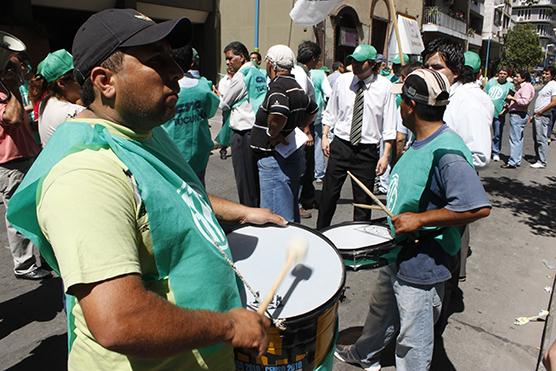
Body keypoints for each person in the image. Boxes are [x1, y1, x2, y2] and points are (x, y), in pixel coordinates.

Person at [7, 9, 288, 370]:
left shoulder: (141, 133)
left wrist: (244, 211)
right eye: (157, 61)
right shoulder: (85, 175)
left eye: (171, 57)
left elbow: (170, 194)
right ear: (104, 81)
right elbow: (120, 320)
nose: (176, 71)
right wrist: (230, 325)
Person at [334, 68, 491, 371]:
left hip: (423, 263)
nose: (397, 108)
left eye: (400, 101)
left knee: (413, 339)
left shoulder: (447, 151)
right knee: (381, 311)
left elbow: (477, 207)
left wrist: (420, 220)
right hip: (400, 250)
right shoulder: (420, 141)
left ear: (411, 106)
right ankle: (365, 354)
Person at [317, 44, 396, 230]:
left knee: (362, 201)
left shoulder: (384, 87)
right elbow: (331, 111)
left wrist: (385, 156)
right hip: (341, 146)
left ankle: (359, 239)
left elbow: (389, 125)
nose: (356, 66)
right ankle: (321, 231)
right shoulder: (342, 81)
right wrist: (325, 135)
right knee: (329, 194)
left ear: (372, 64)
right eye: (353, 61)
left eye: (361, 62)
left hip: (366, 151)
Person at [250, 44, 318, 222]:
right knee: (288, 206)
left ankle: (282, 249)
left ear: (272, 65)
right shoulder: (295, 85)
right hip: (289, 156)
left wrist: (274, 133)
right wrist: (298, 125)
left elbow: (279, 112)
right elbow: (313, 109)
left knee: (276, 216)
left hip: (274, 159)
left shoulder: (278, 87)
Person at [0, 44, 50, 280]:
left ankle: (34, 259)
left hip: (24, 157)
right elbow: (13, 117)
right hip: (11, 163)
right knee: (17, 213)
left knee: (30, 209)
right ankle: (24, 264)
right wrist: (9, 87)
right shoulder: (3, 93)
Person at [423, 39, 493, 170]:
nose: (429, 72)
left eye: (437, 67)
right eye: (426, 67)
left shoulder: (469, 105)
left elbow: (479, 157)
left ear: (455, 72)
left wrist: (433, 162)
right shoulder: (429, 98)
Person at [219, 41, 267, 207]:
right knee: (254, 177)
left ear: (242, 57)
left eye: (230, 58)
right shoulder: (258, 72)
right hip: (256, 129)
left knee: (245, 178)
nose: (227, 62)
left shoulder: (241, 75)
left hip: (242, 133)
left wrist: (220, 97)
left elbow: (224, 104)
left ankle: (249, 214)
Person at [162, 45, 219, 184]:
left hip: (172, 154)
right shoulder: (203, 87)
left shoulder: (163, 88)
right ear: (191, 63)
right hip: (199, 154)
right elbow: (210, 112)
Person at [31, 49, 84, 146]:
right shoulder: (76, 113)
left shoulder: (45, 102)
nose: (83, 81)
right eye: (78, 76)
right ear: (62, 83)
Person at [292, 41, 319, 218]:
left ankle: (308, 197)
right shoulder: (300, 74)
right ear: (314, 58)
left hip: (305, 126)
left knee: (308, 165)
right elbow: (301, 104)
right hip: (302, 128)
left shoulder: (302, 72)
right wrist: (307, 130)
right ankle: (298, 203)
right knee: (301, 167)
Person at [502, 70, 535, 168]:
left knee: (515, 139)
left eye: (517, 76)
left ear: (523, 78)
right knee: (518, 139)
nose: (515, 78)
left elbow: (524, 101)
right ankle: (516, 159)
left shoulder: (526, 87)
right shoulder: (522, 87)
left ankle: (513, 161)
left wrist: (512, 98)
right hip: (518, 114)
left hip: (518, 114)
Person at [485, 65, 514, 162]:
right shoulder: (491, 82)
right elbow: (484, 95)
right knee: (486, 133)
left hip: (499, 114)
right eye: (501, 73)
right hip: (488, 113)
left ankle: (496, 152)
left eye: (504, 74)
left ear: (507, 75)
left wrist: (505, 110)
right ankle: (485, 151)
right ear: (498, 74)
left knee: (497, 134)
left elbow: (509, 100)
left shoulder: (510, 85)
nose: (502, 75)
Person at [530, 66, 556, 168]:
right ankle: (538, 158)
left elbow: (554, 102)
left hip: (543, 115)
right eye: (544, 73)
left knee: (541, 139)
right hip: (538, 115)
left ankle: (542, 161)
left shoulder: (553, 85)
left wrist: (541, 111)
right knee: (536, 138)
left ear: (552, 75)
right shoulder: (545, 85)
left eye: (547, 74)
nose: (544, 75)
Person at [310, 64, 332, 183]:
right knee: (318, 144)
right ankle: (319, 173)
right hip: (317, 114)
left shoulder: (297, 71)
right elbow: (329, 93)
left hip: (302, 115)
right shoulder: (320, 75)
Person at [214, 68, 235, 159]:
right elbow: (222, 95)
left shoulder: (237, 79)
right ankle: (223, 148)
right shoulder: (223, 81)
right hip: (227, 107)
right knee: (225, 129)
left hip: (235, 106)